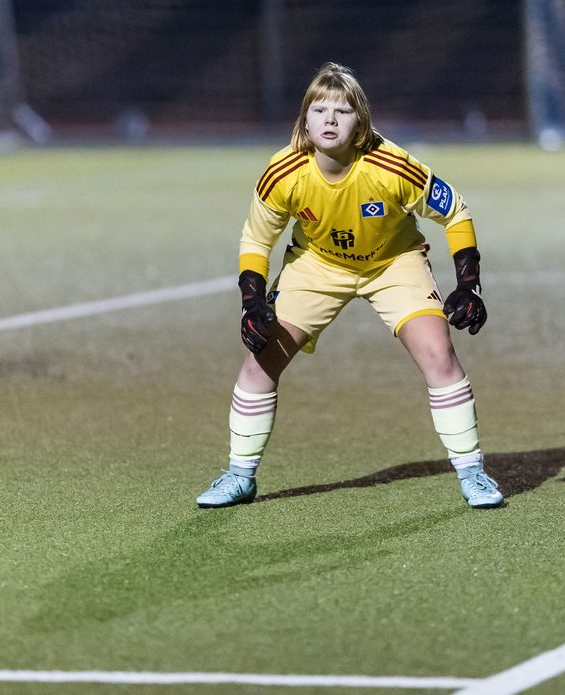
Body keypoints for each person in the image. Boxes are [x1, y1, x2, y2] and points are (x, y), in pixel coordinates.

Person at [196, 62, 503, 509]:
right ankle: (239, 476)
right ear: (305, 119)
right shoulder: (284, 173)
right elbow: (257, 238)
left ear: (362, 120)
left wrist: (469, 285)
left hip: (393, 262)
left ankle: (473, 472)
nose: (330, 120)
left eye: (342, 111)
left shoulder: (392, 167)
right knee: (259, 362)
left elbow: (455, 210)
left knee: (439, 353)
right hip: (316, 265)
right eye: (319, 110)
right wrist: (250, 303)